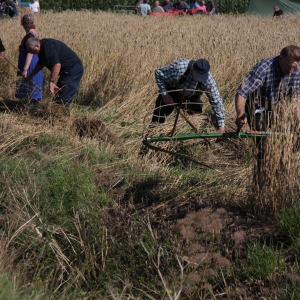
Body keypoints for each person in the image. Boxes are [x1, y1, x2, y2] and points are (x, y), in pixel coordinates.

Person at [235, 45, 300, 170]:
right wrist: (240, 114)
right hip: (256, 105)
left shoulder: (296, 71)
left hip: (275, 106)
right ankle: (261, 171)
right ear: (280, 58)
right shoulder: (264, 68)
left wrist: (298, 121)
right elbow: (242, 93)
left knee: (287, 140)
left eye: (294, 67)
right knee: (264, 143)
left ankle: (281, 169)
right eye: (289, 67)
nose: (291, 71)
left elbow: (295, 100)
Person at [151, 58, 225, 132]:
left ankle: (192, 140)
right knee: (158, 119)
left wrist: (221, 126)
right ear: (192, 68)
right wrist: (165, 94)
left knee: (196, 121)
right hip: (172, 93)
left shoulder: (208, 80)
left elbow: (216, 100)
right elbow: (159, 73)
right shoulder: (180, 68)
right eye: (197, 76)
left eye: (201, 78)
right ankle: (152, 135)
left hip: (191, 97)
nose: (198, 79)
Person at [26, 37, 84, 112]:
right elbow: (41, 63)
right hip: (66, 72)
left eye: (33, 51)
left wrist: (51, 82)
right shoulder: (42, 49)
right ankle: (57, 117)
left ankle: (64, 119)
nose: (32, 53)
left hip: (73, 70)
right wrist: (31, 75)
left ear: (37, 46)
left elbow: (57, 65)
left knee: (64, 97)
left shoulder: (49, 47)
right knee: (58, 98)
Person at [16, 14, 43, 103]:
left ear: (24, 24)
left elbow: (30, 53)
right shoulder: (34, 33)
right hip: (34, 61)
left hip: (30, 63)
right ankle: (31, 102)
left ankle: (32, 103)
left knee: (30, 82)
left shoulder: (30, 36)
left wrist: (25, 69)